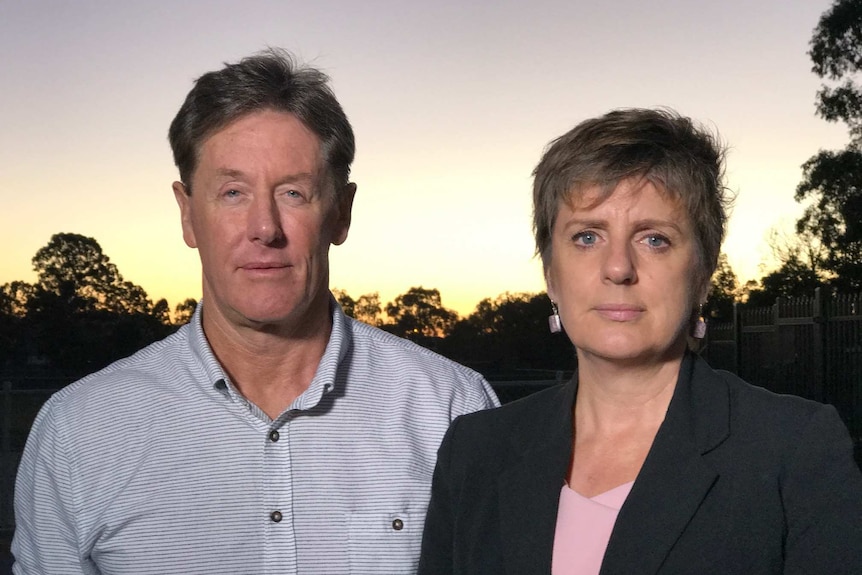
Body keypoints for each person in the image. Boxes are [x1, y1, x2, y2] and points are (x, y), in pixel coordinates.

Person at [12, 49, 498, 575]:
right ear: (187, 214)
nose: (264, 227)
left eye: (293, 192)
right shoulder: (79, 431)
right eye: (232, 192)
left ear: (341, 212)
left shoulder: (454, 411)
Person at [417, 108, 862, 574]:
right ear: (550, 274)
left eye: (654, 239)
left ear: (702, 274)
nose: (618, 268)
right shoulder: (475, 450)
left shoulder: (793, 450)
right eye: (587, 236)